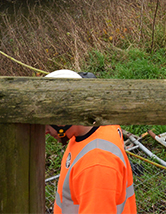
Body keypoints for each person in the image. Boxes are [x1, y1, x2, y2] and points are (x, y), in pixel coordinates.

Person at [45, 69, 137, 213]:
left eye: (46, 123)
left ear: (63, 116)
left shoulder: (96, 164)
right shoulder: (96, 129)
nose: (45, 130)